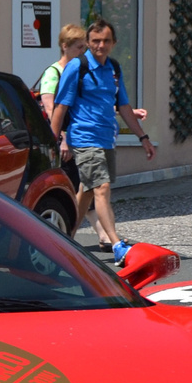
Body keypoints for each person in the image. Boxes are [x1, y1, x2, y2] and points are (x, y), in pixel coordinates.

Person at [49, 19, 155, 265]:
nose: (101, 45)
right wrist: (53, 141)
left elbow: (124, 106)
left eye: (106, 41)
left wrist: (143, 137)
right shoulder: (77, 67)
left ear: (113, 43)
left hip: (107, 139)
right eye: (96, 41)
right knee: (102, 188)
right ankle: (117, 244)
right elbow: (61, 106)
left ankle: (63, 240)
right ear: (87, 43)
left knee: (86, 191)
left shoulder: (114, 69)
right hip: (84, 138)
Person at [37, 23, 111, 250]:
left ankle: (99, 235)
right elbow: (53, 109)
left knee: (86, 186)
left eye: (83, 46)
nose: (83, 51)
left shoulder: (81, 70)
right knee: (84, 187)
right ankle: (101, 237)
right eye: (79, 47)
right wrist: (62, 139)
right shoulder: (53, 73)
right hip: (66, 141)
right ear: (64, 46)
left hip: (79, 138)